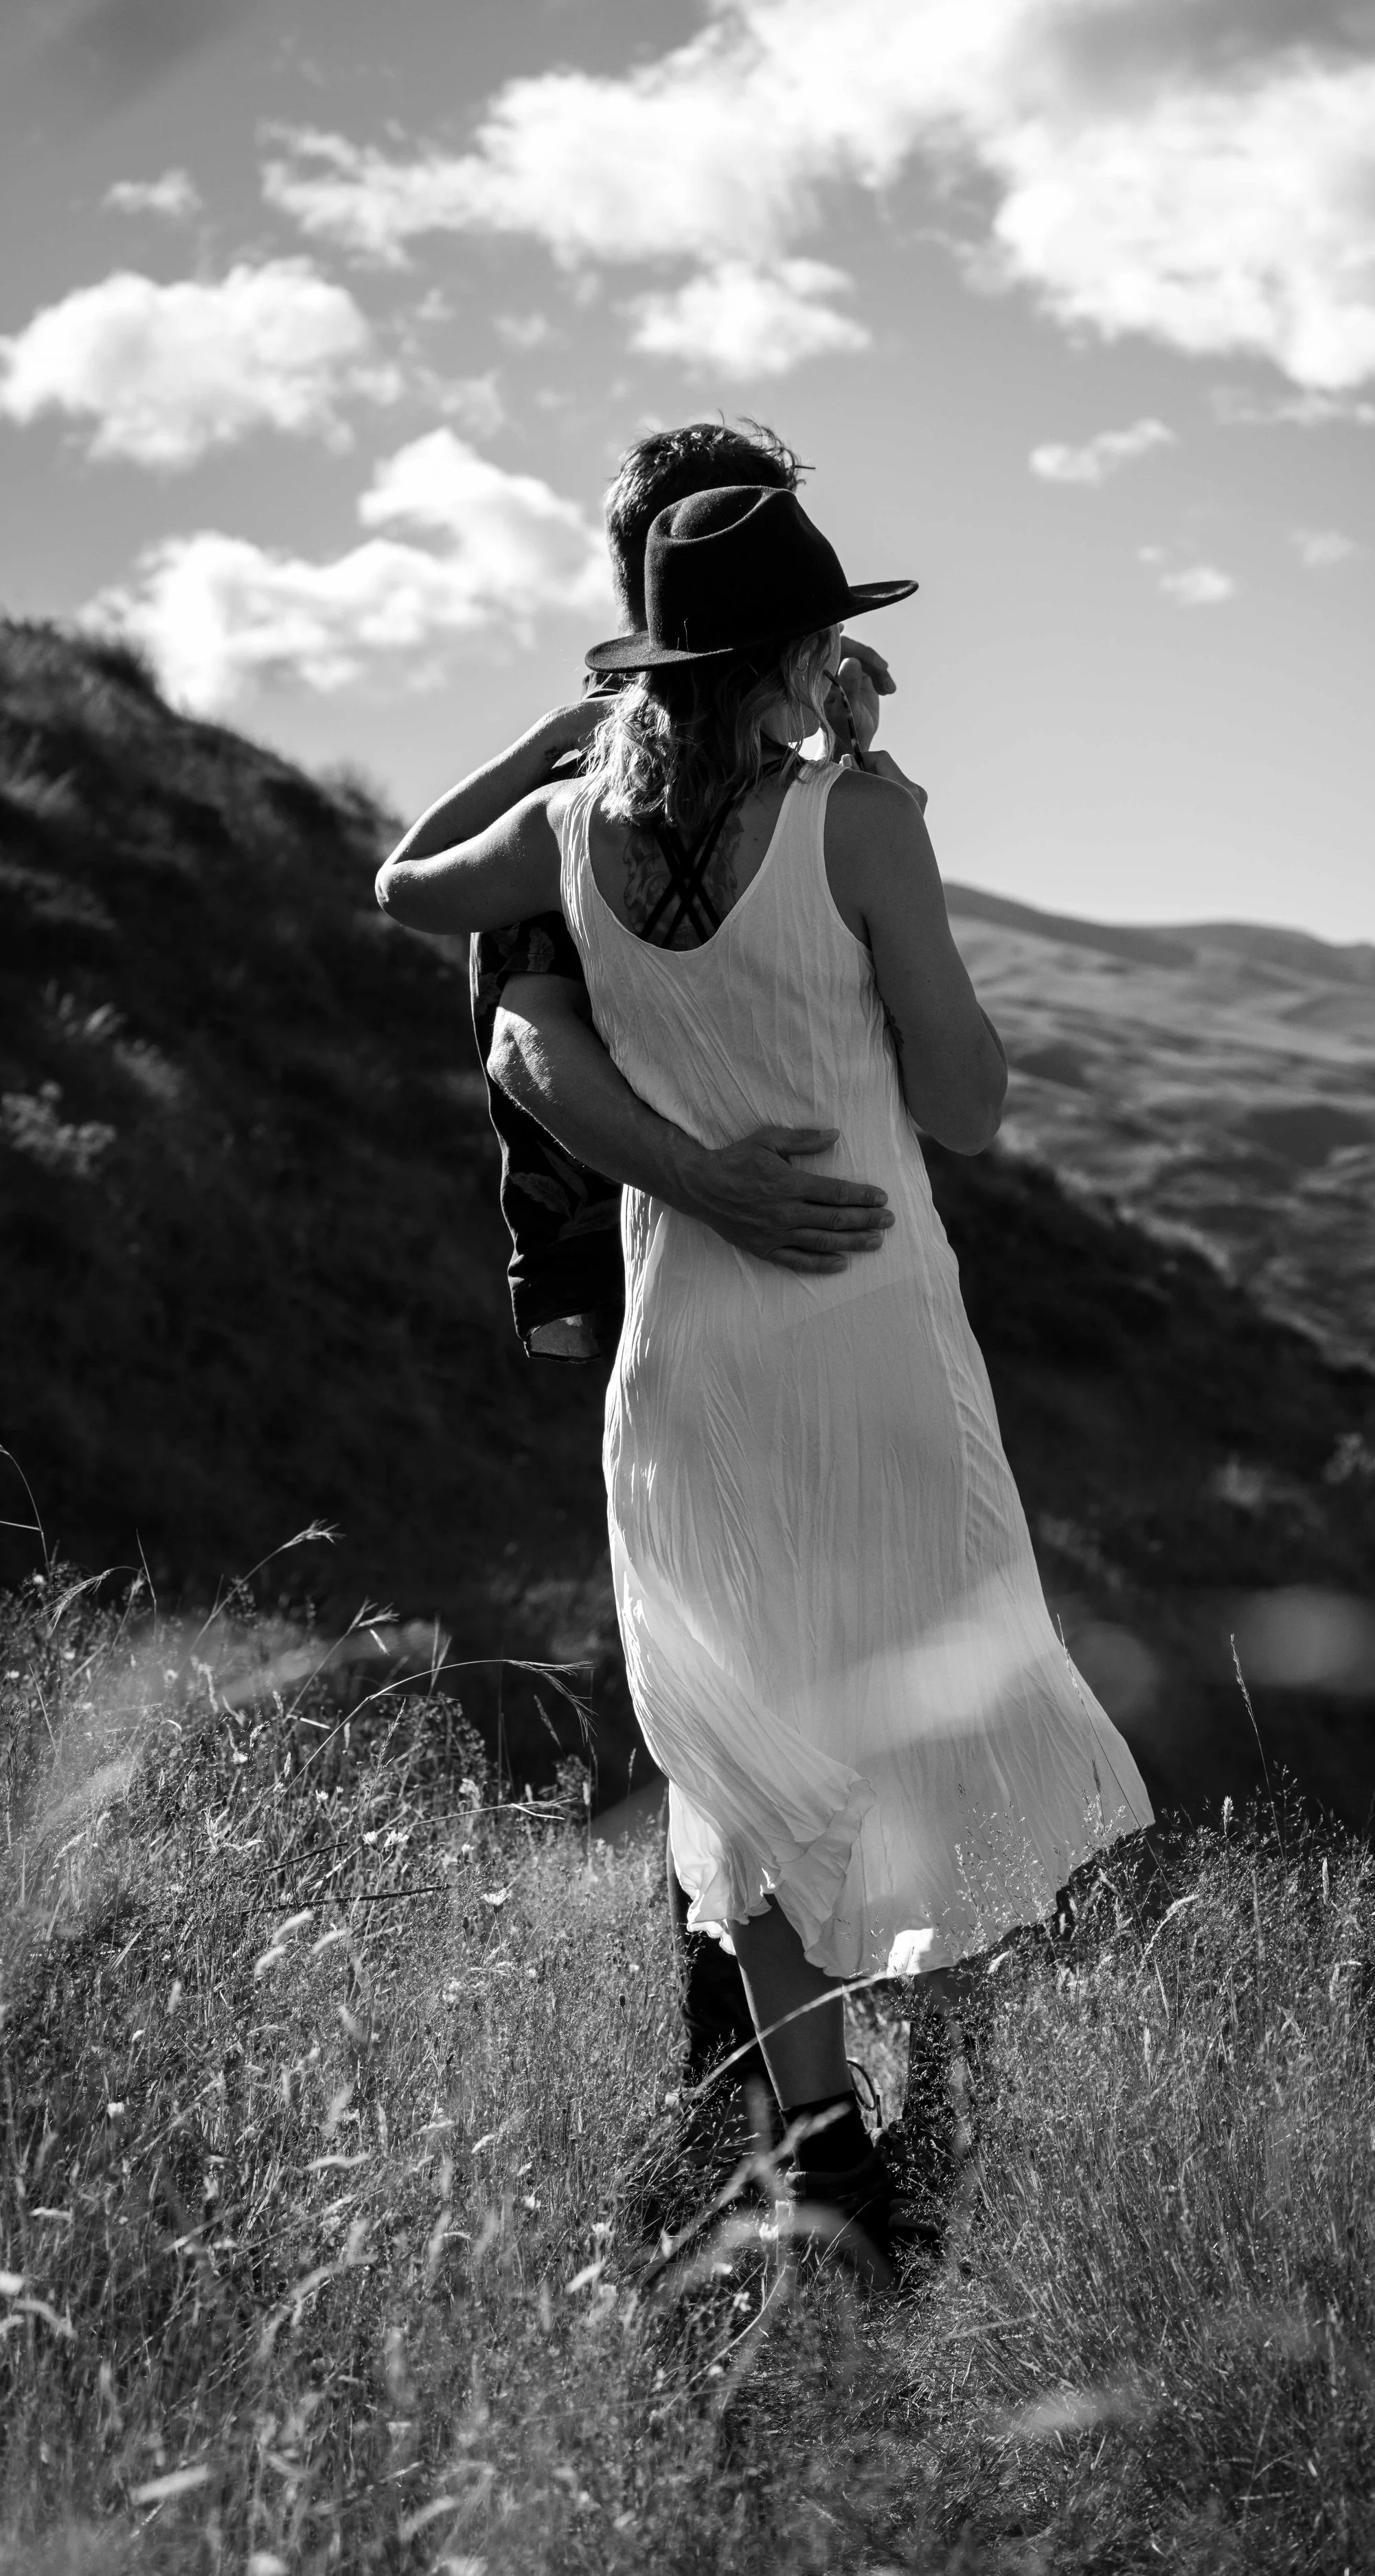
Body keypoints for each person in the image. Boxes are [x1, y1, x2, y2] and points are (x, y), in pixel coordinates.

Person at [377, 484, 1154, 2272]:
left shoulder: (566, 828)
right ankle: (939, 2104)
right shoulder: (856, 821)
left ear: (654, 667)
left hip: (691, 1352)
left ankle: (823, 2144)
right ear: (796, 654)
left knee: (744, 1743)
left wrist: (568, 728)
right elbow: (966, 1101)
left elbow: (404, 880)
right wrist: (896, 895)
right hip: (867, 1334)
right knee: (931, 1709)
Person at [464, 420, 911, 2122]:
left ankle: (818, 2106)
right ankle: (759, 2106)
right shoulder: (594, 794)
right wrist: (706, 1184)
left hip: (787, 1266)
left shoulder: (780, 776)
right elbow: (525, 1038)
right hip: (652, 1260)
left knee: (820, 1671)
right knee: (724, 1689)